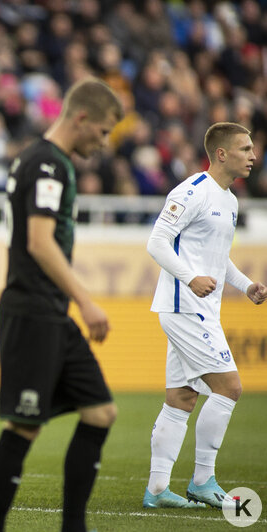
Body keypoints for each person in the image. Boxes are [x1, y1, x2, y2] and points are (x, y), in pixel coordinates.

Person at [0, 78, 122, 532]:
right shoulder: (48, 164)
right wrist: (87, 302)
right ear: (81, 118)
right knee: (24, 426)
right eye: (102, 132)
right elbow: (40, 243)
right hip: (32, 310)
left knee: (101, 412)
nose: (103, 143)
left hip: (50, 313)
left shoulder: (41, 159)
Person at [142, 122, 267, 509]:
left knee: (181, 396)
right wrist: (189, 277)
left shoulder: (228, 200)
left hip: (199, 307)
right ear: (222, 153)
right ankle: (202, 480)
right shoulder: (192, 190)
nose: (253, 155)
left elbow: (216, 257)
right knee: (229, 388)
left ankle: (158, 490)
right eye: (245, 149)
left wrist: (245, 285)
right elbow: (157, 241)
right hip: (184, 305)